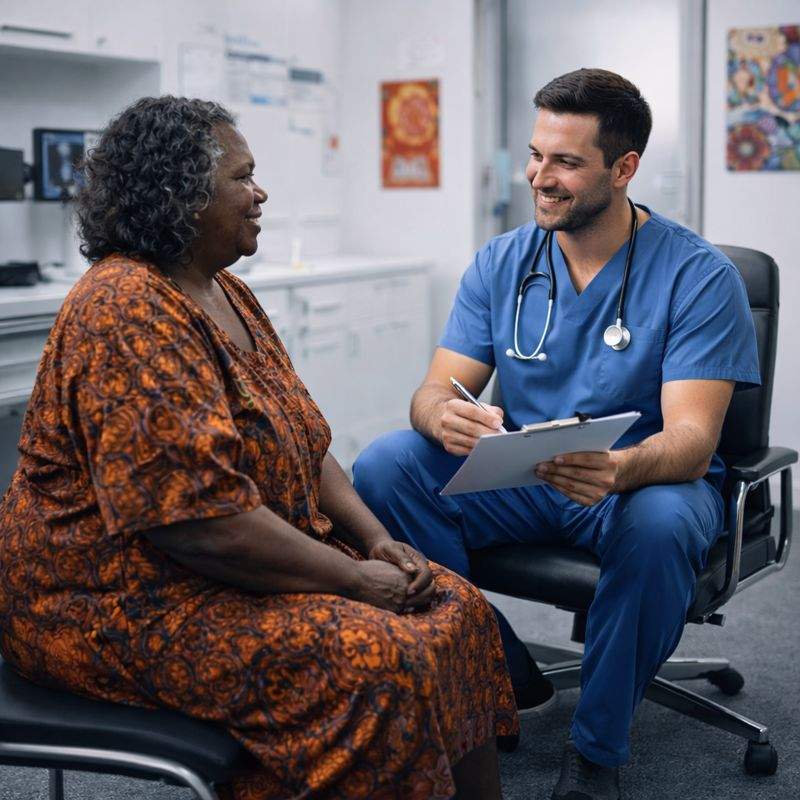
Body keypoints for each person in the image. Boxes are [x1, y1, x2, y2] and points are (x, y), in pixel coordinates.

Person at [0, 96, 517, 800]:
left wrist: (377, 542)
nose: (260, 191)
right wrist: (354, 581)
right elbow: (200, 525)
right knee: (375, 657)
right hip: (115, 600)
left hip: (223, 566)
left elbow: (306, 441)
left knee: (455, 606)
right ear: (180, 197)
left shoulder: (228, 294)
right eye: (242, 177)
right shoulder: (123, 308)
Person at [353, 68, 760, 800]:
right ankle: (492, 671)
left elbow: (694, 441)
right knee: (386, 465)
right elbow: (434, 387)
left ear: (624, 167)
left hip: (642, 482)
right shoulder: (503, 261)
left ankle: (596, 749)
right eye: (536, 155)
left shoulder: (699, 275)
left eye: (566, 162)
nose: (541, 177)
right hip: (525, 477)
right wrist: (437, 412)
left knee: (662, 524)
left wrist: (621, 470)